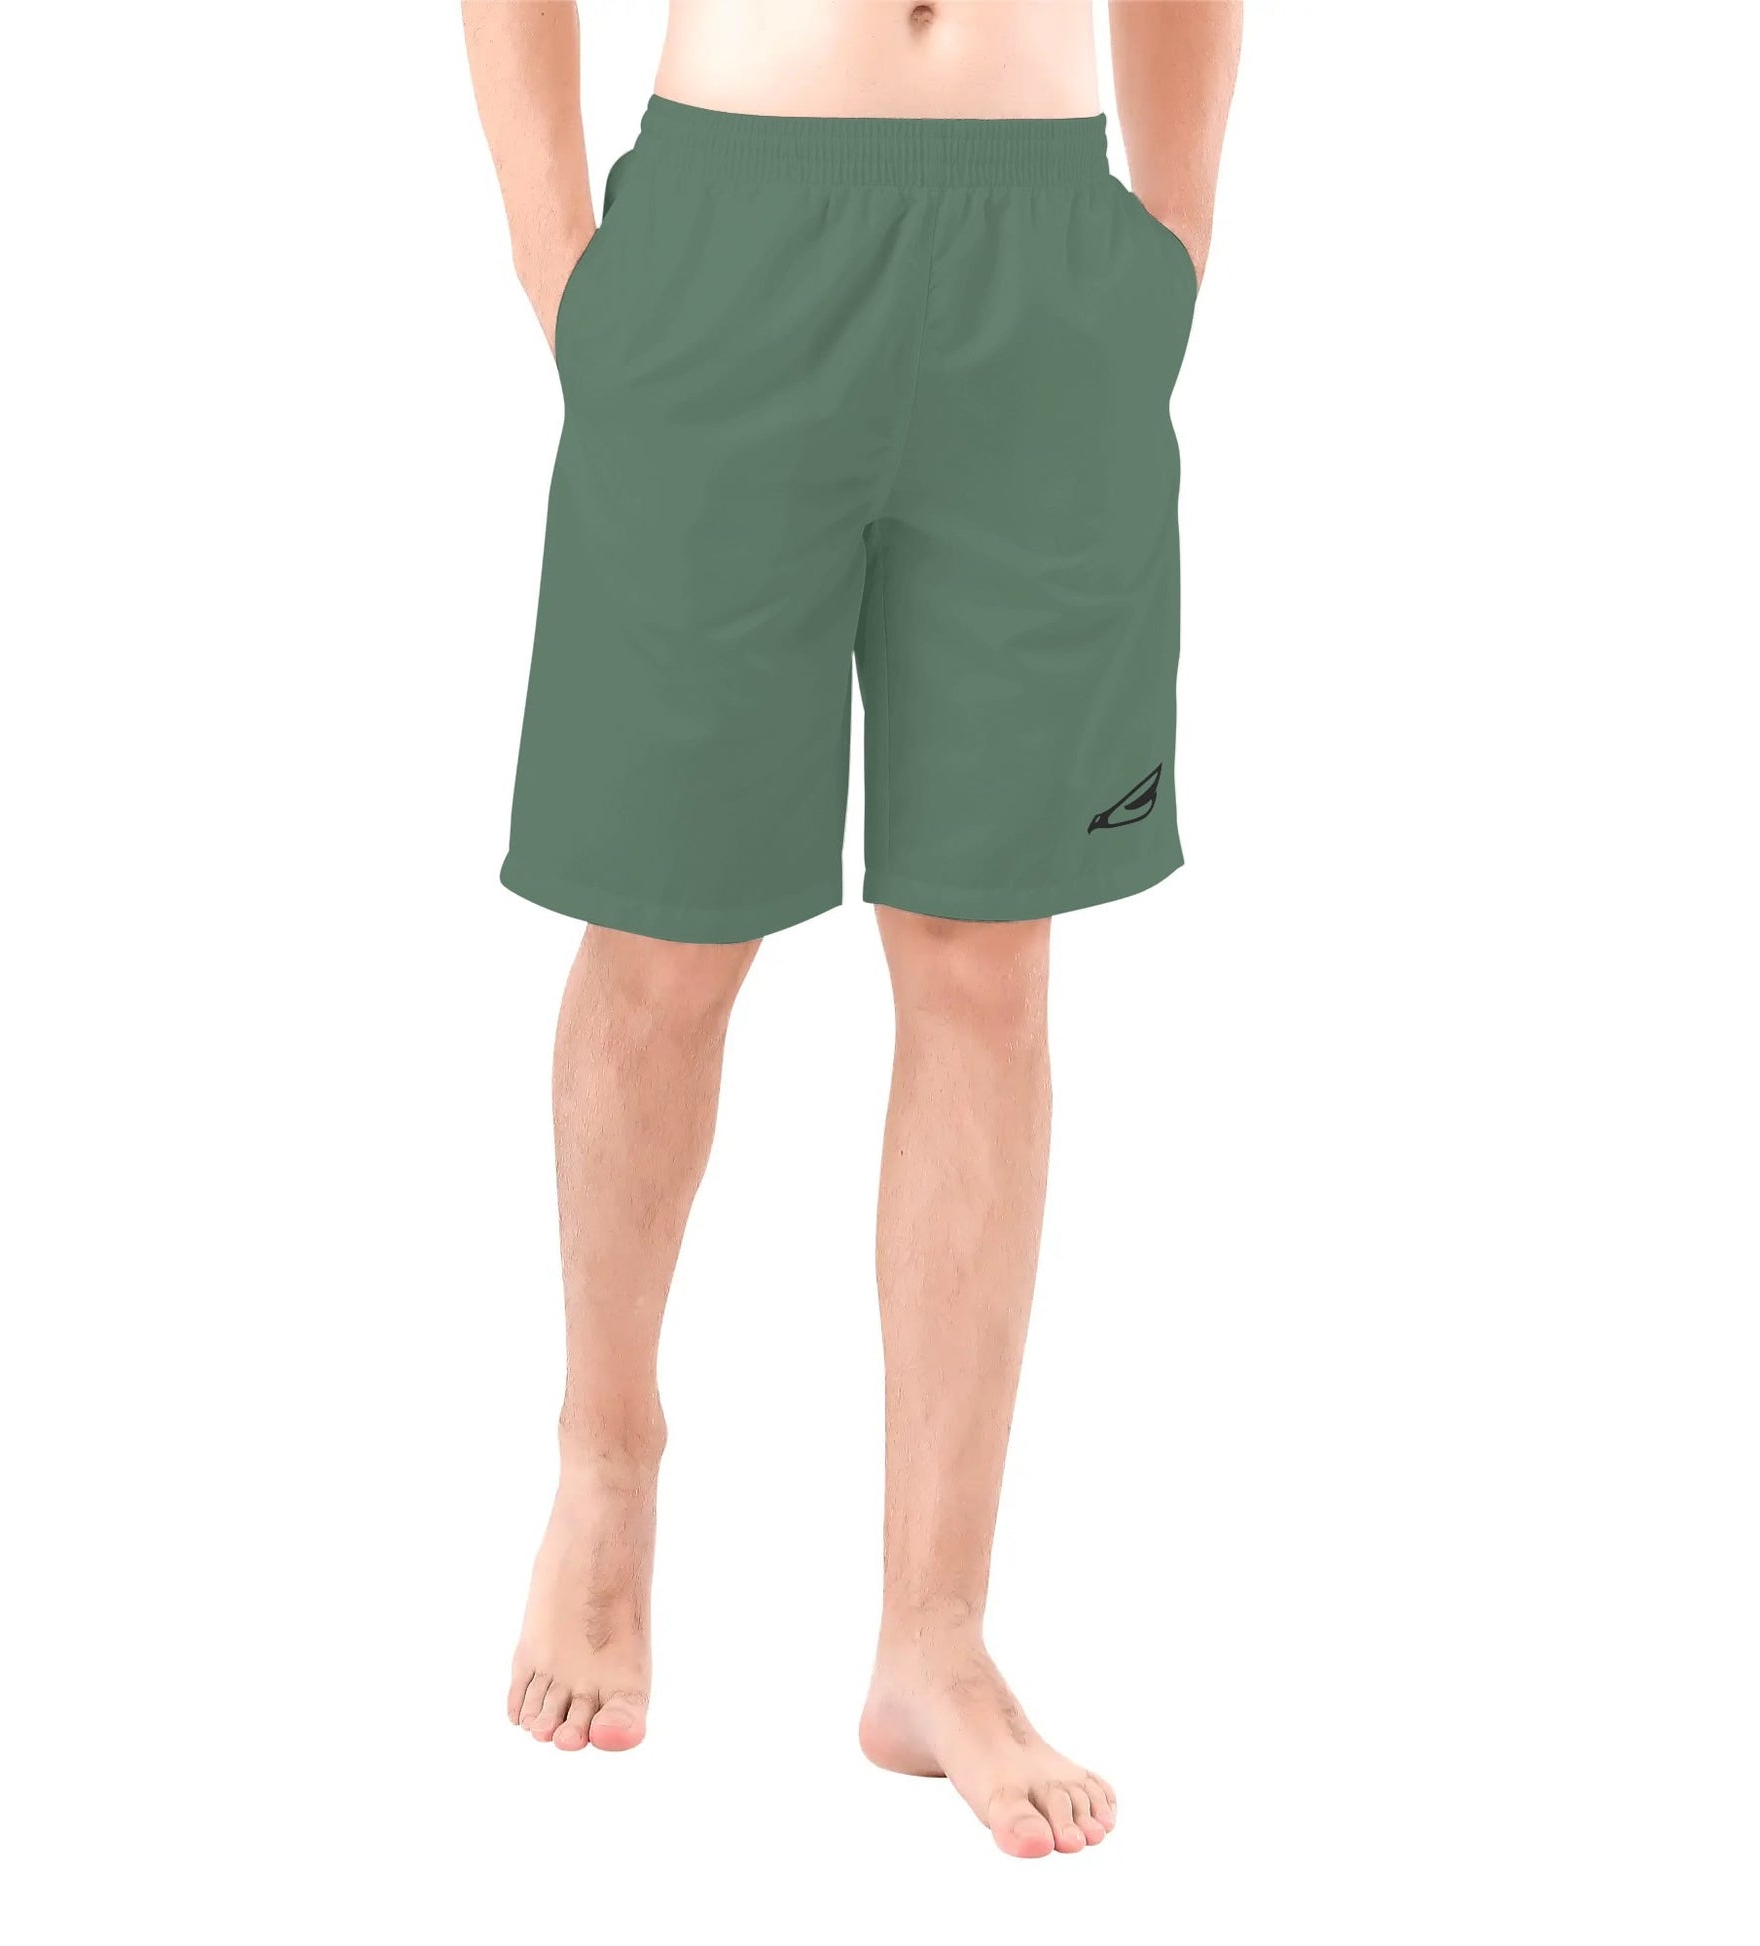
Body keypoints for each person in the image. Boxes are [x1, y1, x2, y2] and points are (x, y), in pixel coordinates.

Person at [462, 0, 1239, 1859]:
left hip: (1043, 256)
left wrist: (1166, 248)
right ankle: (606, 1456)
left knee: (986, 962)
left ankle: (932, 1630)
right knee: (665, 934)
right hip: (727, 232)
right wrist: (566, 267)